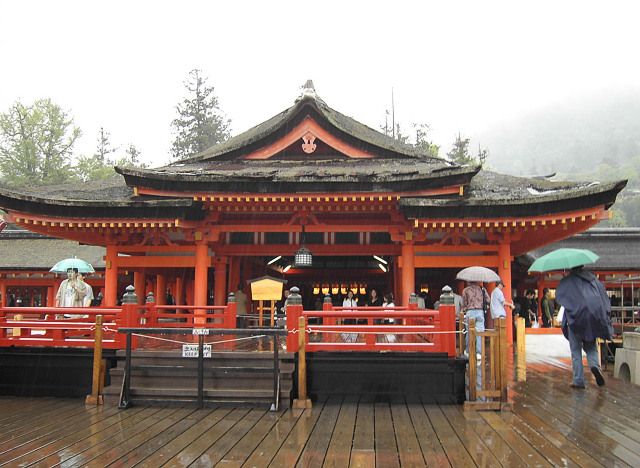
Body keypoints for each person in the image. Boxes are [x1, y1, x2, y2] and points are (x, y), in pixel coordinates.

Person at [556, 265, 611, 388]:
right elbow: (603, 298)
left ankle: (578, 380)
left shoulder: (569, 281)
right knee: (591, 347)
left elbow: (563, 299)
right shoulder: (593, 280)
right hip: (591, 320)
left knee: (576, 351)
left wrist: (565, 279)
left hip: (574, 319)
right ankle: (595, 366)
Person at [462, 280, 490, 358]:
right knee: (479, 333)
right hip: (480, 311)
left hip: (470, 311)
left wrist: (464, 309)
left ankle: (468, 351)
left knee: (469, 332)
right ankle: (479, 353)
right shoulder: (482, 289)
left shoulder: (466, 290)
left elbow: (464, 303)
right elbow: (488, 300)